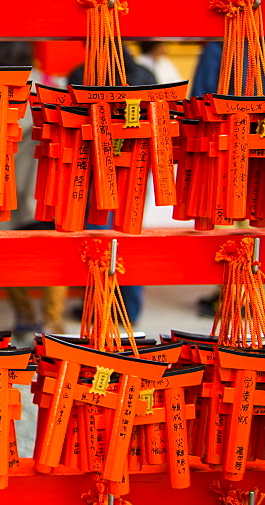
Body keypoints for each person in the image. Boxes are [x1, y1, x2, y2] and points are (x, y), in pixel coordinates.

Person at [66, 47, 156, 323]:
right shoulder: (147, 76)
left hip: (94, 166)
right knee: (130, 232)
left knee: (98, 235)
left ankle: (99, 308)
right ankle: (130, 310)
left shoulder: (81, 75)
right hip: (138, 164)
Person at [0, 42, 67, 337]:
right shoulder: (52, 85)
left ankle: (25, 316)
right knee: (52, 252)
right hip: (46, 182)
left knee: (10, 252)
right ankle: (52, 319)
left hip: (6, 184)